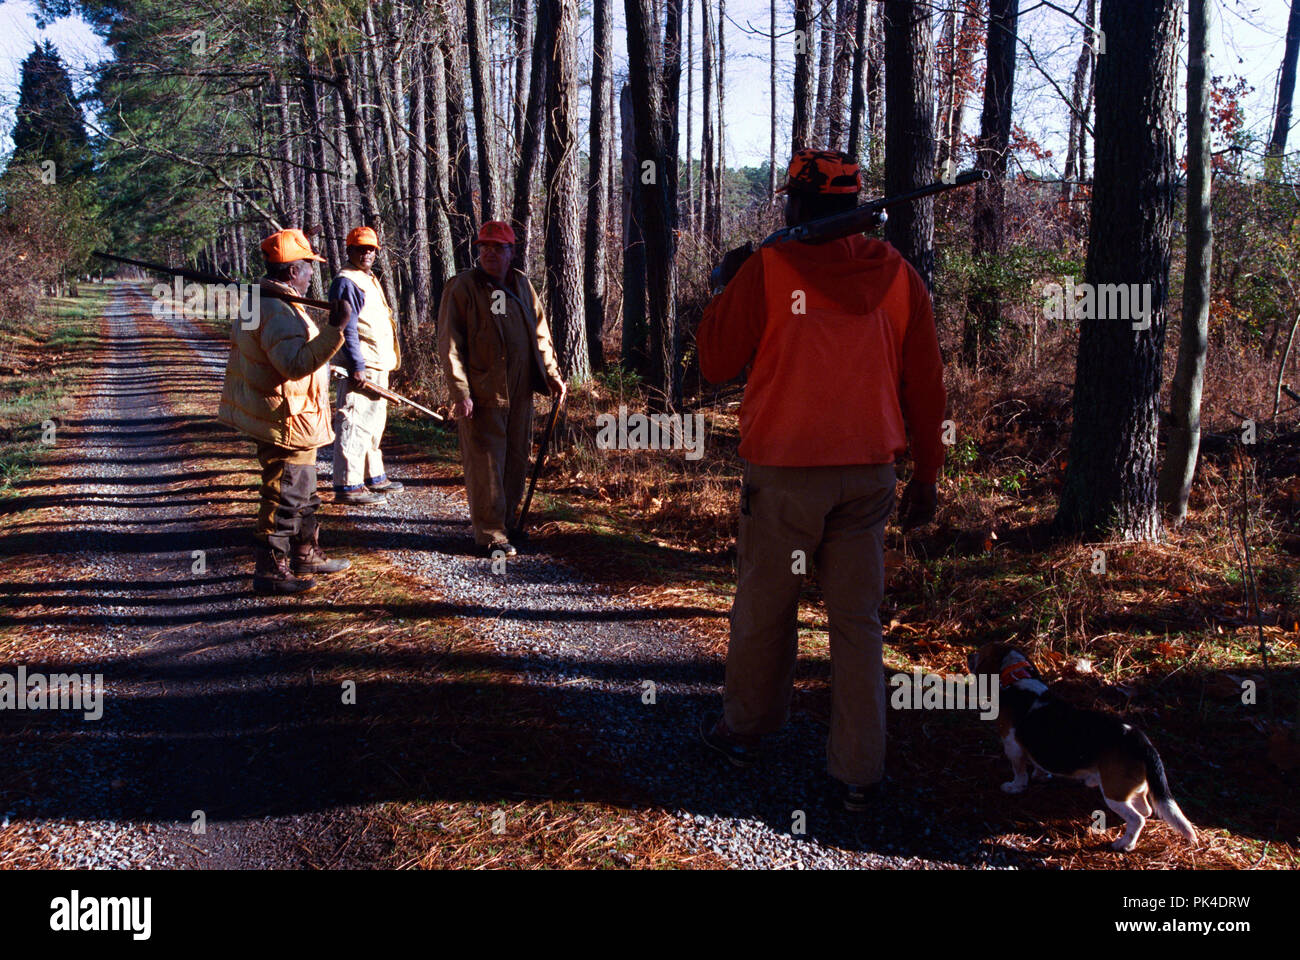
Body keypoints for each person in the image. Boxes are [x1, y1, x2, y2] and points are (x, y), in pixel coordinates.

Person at [694, 149, 946, 811]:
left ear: (800, 205)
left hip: (783, 475)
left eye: (790, 200)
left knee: (765, 607)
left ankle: (746, 730)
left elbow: (715, 361)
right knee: (858, 625)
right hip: (870, 479)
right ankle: (859, 772)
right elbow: (926, 390)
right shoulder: (899, 276)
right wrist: (928, 477)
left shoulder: (768, 271)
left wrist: (727, 286)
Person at [218, 228, 352, 595]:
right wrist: (335, 329)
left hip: (287, 415)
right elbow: (293, 365)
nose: (312, 274)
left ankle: (306, 552)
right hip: (285, 419)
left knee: (303, 492)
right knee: (285, 495)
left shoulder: (264, 302)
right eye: (309, 267)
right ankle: (271, 569)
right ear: (293, 272)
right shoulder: (277, 310)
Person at [437, 221, 566, 556]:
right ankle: (490, 533)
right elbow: (449, 344)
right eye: (484, 248)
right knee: (486, 466)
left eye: (498, 248)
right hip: (483, 393)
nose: (490, 253)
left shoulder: (522, 284)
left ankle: (507, 524)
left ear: (511, 252)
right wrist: (460, 391)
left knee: (514, 462)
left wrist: (551, 374)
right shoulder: (463, 287)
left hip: (520, 391)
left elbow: (541, 333)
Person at [330, 225, 403, 504]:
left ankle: (374, 476)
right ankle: (348, 486)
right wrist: (356, 364)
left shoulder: (367, 278)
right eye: (361, 249)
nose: (367, 253)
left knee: (373, 423)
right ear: (350, 251)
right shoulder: (347, 280)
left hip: (377, 362)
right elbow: (345, 328)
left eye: (371, 249)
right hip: (361, 363)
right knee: (354, 422)